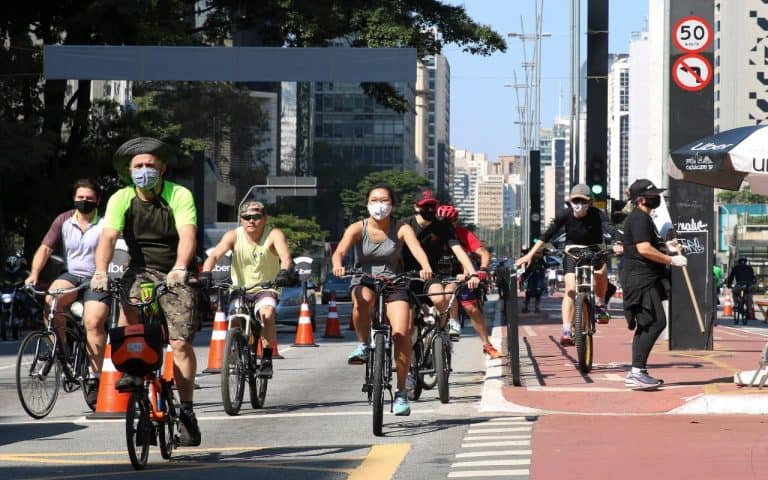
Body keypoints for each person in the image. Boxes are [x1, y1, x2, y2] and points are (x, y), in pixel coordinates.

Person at [90, 137, 201, 446]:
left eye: (150, 165)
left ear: (162, 169)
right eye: (138, 166)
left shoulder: (179, 194)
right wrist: (100, 271)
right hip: (140, 270)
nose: (144, 171)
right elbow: (108, 239)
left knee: (179, 343)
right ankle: (134, 372)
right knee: (128, 302)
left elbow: (187, 234)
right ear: (129, 171)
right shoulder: (121, 198)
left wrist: (181, 267)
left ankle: (188, 410)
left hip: (175, 271)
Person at [332, 185, 433, 416]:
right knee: (362, 302)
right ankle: (363, 344)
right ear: (367, 203)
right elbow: (339, 251)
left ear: (393, 204)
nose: (379, 204)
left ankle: (400, 393)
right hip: (364, 278)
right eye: (374, 199)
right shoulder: (358, 227)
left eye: (384, 200)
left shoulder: (401, 227)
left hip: (395, 281)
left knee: (400, 332)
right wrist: (337, 265)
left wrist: (425, 267)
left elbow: (416, 249)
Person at [24, 179, 109, 405]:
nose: (84, 202)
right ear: (74, 198)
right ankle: (61, 354)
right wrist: (34, 274)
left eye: (89, 198)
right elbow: (45, 248)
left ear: (98, 200)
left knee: (93, 322)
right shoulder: (63, 220)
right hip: (72, 275)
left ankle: (94, 376)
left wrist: (107, 274)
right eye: (80, 198)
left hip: (97, 277)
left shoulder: (106, 222)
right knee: (51, 300)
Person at [515, 184, 623, 346]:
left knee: (601, 273)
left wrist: (618, 243)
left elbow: (611, 228)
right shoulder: (564, 215)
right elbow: (546, 236)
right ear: (570, 202)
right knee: (570, 289)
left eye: (583, 201)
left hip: (595, 250)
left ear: (590, 202)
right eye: (575, 201)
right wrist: (529, 255)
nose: (579, 204)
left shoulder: (597, 214)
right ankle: (566, 329)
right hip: (572, 252)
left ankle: (600, 304)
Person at [201, 200, 293, 377]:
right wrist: (206, 273)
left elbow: (286, 257)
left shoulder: (273, 234)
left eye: (256, 216)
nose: (251, 221)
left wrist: (283, 272)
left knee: (267, 313)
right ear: (241, 220)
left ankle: (266, 358)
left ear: (264, 218)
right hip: (240, 288)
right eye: (246, 217)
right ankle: (236, 352)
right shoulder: (233, 235)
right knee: (235, 319)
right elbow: (214, 255)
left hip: (266, 287)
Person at [621, 179, 688, 389]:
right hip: (640, 280)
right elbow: (643, 249)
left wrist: (666, 246)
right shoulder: (639, 218)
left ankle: (637, 371)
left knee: (648, 323)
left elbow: (649, 244)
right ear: (641, 199)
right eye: (652, 196)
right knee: (655, 322)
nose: (656, 198)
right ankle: (636, 371)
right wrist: (671, 260)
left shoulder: (643, 218)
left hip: (643, 279)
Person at [400, 189, 480, 342]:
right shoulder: (404, 224)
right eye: (425, 206)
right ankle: (407, 362)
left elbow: (459, 251)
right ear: (416, 207)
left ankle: (441, 333)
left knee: (440, 299)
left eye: (432, 206)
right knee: (407, 327)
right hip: (405, 276)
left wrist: (473, 273)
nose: (429, 210)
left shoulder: (442, 226)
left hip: (431, 275)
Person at [435, 204, 502, 359]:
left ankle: (487, 345)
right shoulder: (430, 234)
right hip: (434, 276)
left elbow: (483, 254)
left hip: (461, 275)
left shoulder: (462, 234)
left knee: (472, 309)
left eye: (449, 222)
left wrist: (481, 271)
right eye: (440, 221)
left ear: (455, 222)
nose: (444, 225)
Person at [521, 249, 547, 314]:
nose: (539, 254)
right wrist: (524, 276)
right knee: (528, 293)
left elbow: (546, 266)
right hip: (531, 278)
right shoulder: (530, 260)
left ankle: (536, 308)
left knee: (538, 292)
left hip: (539, 278)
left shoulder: (541, 260)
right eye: (538, 253)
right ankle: (526, 307)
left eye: (540, 253)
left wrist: (542, 270)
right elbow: (526, 270)